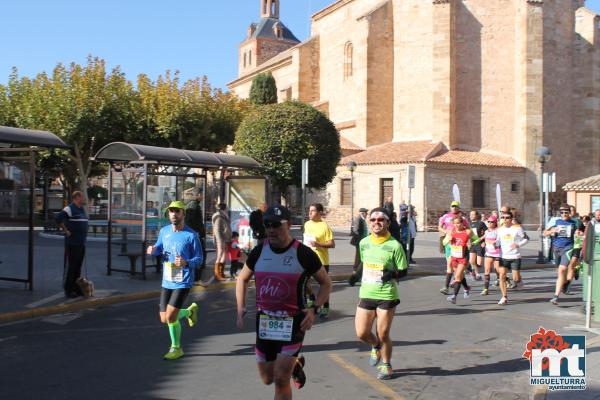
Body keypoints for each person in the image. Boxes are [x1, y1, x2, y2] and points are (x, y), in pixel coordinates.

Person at [236, 205, 332, 399]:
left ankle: (289, 366)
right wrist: (241, 307)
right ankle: (295, 365)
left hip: (293, 322)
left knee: (281, 379)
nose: (271, 229)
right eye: (267, 225)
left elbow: (326, 284)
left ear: (288, 225)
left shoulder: (303, 253)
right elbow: (242, 278)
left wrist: (313, 310)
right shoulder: (258, 251)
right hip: (265, 322)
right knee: (267, 378)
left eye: (276, 225)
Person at [354, 207, 408, 380]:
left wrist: (391, 274)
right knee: (362, 333)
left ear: (387, 223)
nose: (376, 223)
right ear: (369, 223)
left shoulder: (394, 245)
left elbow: (404, 270)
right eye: (373, 220)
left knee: (383, 333)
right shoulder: (364, 243)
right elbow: (364, 262)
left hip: (387, 294)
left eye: (381, 220)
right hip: (367, 293)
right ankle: (375, 345)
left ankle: (386, 365)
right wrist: (355, 275)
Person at [146, 200, 203, 360]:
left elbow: (199, 260)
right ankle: (189, 311)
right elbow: (159, 248)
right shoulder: (164, 231)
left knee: (171, 316)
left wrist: (186, 262)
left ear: (183, 214)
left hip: (183, 281)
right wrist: (153, 250)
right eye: (171, 211)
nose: (174, 214)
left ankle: (176, 348)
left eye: (177, 211)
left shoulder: (191, 235)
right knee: (164, 318)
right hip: (167, 280)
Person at [303, 203, 335, 318]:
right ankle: (311, 296)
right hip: (307, 258)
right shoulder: (306, 224)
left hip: (321, 260)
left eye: (313, 210)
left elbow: (332, 244)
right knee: (303, 281)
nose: (310, 213)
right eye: (309, 210)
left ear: (319, 212)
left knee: (324, 284)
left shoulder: (325, 226)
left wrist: (318, 244)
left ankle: (325, 306)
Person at [56, 191, 89, 298]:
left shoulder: (81, 209)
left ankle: (77, 288)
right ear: (77, 197)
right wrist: (66, 231)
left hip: (81, 243)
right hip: (72, 243)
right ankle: (68, 289)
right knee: (72, 267)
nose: (84, 199)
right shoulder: (69, 208)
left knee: (78, 267)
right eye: (83, 197)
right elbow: (58, 219)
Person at [544, 204, 579, 305]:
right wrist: (552, 231)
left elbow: (580, 232)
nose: (564, 214)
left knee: (562, 269)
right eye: (562, 212)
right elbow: (544, 233)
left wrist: (578, 233)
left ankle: (555, 296)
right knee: (559, 272)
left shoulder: (574, 222)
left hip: (568, 248)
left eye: (566, 212)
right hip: (556, 248)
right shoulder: (555, 221)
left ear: (570, 212)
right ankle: (566, 283)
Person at [497, 210, 529, 305]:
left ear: (511, 219)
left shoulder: (517, 228)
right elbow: (498, 241)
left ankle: (519, 280)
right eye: (503, 217)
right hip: (503, 256)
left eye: (507, 218)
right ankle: (504, 297)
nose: (505, 219)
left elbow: (527, 239)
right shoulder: (499, 229)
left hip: (515, 255)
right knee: (502, 276)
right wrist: (495, 244)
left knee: (515, 278)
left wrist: (518, 244)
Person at [438, 201, 469, 295]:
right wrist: (446, 232)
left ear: (459, 207)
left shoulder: (463, 218)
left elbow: (468, 229)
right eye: (452, 206)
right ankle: (446, 287)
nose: (454, 208)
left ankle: (465, 286)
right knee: (449, 264)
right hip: (449, 243)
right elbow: (439, 227)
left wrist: (468, 240)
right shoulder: (445, 216)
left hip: (460, 245)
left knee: (457, 271)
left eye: (456, 206)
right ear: (450, 207)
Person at [443, 216, 472, 304]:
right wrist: (449, 239)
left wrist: (471, 244)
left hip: (463, 257)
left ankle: (454, 297)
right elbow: (444, 242)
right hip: (454, 257)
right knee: (460, 276)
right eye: (455, 223)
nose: (456, 225)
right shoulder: (451, 232)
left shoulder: (467, 232)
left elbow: (475, 239)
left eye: (458, 223)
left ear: (462, 223)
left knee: (458, 277)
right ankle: (466, 288)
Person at [185, 194, 207, 276]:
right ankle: (197, 277)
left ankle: (195, 276)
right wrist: (197, 232)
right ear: (197, 195)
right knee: (200, 254)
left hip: (194, 232)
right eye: (201, 195)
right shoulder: (193, 205)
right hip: (195, 233)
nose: (203, 197)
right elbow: (191, 220)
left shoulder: (193, 204)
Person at [348, 208, 369, 286]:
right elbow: (355, 230)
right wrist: (360, 240)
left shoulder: (362, 219)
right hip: (360, 242)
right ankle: (355, 274)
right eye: (366, 213)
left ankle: (357, 274)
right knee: (358, 258)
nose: (367, 214)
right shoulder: (358, 219)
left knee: (360, 258)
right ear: (363, 213)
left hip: (363, 242)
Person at [481, 215, 500, 296]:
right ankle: (486, 289)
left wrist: (495, 243)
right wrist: (484, 243)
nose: (489, 223)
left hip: (497, 254)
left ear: (495, 223)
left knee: (498, 270)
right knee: (487, 271)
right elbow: (485, 239)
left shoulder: (498, 231)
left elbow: (500, 241)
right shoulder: (486, 231)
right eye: (488, 221)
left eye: (491, 222)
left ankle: (504, 279)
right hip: (489, 253)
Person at [212, 203, 232, 281]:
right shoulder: (219, 216)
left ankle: (221, 273)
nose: (228, 208)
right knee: (220, 255)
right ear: (224, 208)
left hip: (226, 238)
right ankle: (217, 274)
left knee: (224, 255)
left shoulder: (224, 215)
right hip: (221, 239)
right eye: (227, 207)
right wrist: (220, 241)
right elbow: (217, 230)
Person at [468, 210, 486, 281]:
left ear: (476, 215)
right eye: (470, 215)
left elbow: (487, 232)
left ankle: (475, 271)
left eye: (473, 214)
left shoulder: (481, 223)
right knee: (471, 261)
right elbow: (468, 234)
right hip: (473, 244)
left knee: (479, 263)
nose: (471, 216)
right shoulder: (469, 224)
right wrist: (468, 242)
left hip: (479, 244)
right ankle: (476, 273)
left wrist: (482, 241)